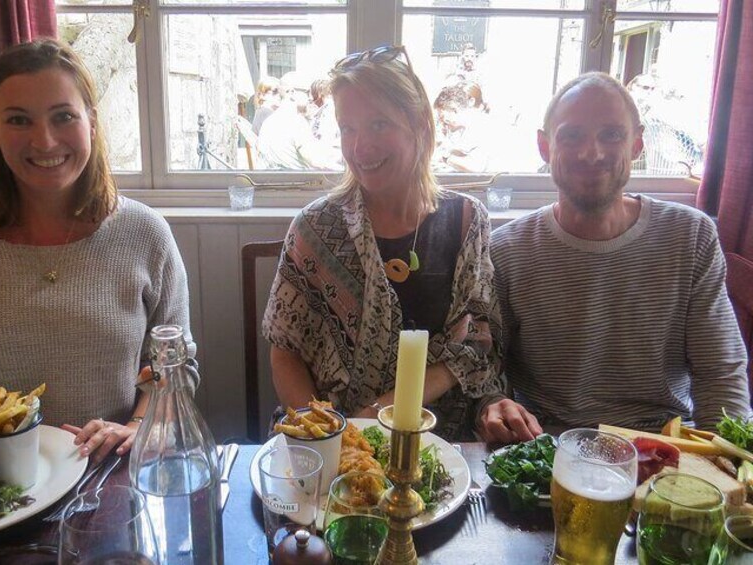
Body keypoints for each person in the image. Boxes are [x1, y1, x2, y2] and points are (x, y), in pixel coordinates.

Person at [0, 39, 195, 461]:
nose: (44, 141)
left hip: (104, 469)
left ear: (91, 123)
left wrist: (135, 427)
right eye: (19, 120)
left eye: (63, 117)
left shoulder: (145, 232)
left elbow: (176, 367)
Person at [479, 72, 750, 443]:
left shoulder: (690, 236)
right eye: (571, 136)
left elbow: (720, 373)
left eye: (611, 134)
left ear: (637, 144)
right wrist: (493, 403)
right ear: (545, 147)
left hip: (663, 443)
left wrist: (727, 464)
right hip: (548, 445)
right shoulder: (505, 249)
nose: (592, 152)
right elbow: (487, 371)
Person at [262, 46, 506, 441]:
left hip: (439, 439)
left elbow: (476, 342)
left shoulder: (466, 222)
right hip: (330, 435)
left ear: (420, 125)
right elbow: (284, 348)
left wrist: (380, 415)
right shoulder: (315, 227)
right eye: (347, 128)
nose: (360, 148)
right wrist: (324, 433)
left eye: (378, 125)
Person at [258, 71, 336, 170]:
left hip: (271, 183)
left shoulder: (268, 122)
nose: (310, 98)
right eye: (307, 92)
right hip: (294, 183)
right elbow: (318, 161)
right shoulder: (296, 122)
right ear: (292, 93)